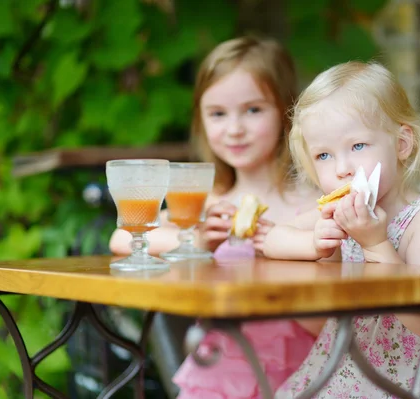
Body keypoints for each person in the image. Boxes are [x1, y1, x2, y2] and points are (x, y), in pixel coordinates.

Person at [263, 61, 420, 398]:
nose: (342, 169)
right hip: (358, 366)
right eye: (324, 155)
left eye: (357, 146)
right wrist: (313, 243)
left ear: (401, 144)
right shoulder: (336, 211)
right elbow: (271, 239)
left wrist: (375, 244)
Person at [110, 36, 323, 398]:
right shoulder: (205, 203)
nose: (234, 128)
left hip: (303, 372)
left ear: (288, 112)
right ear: (201, 119)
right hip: (219, 374)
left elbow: (331, 318)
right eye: (218, 114)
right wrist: (195, 240)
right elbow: (122, 239)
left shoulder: (313, 204)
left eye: (253, 110)